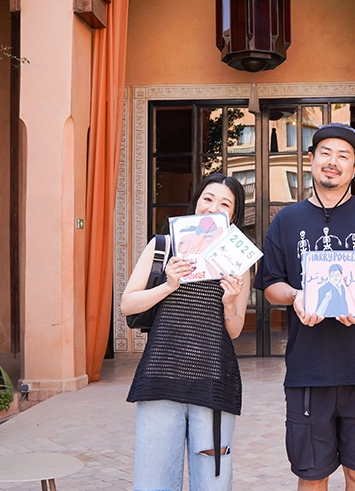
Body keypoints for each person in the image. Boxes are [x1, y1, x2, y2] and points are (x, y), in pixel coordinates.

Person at [254, 123, 355, 491]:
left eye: (343, 156)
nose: (333, 162)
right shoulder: (286, 220)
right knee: (311, 476)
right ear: (311, 159)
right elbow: (271, 286)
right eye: (325, 153)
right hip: (309, 370)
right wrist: (296, 296)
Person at [121, 173, 251, 491]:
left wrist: (229, 302)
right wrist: (168, 285)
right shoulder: (162, 246)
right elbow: (127, 304)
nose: (213, 208)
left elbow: (234, 331)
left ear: (233, 215)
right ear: (196, 202)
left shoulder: (238, 259)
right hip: (160, 378)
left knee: (213, 483)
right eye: (208, 198)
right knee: (153, 483)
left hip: (214, 383)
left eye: (225, 204)